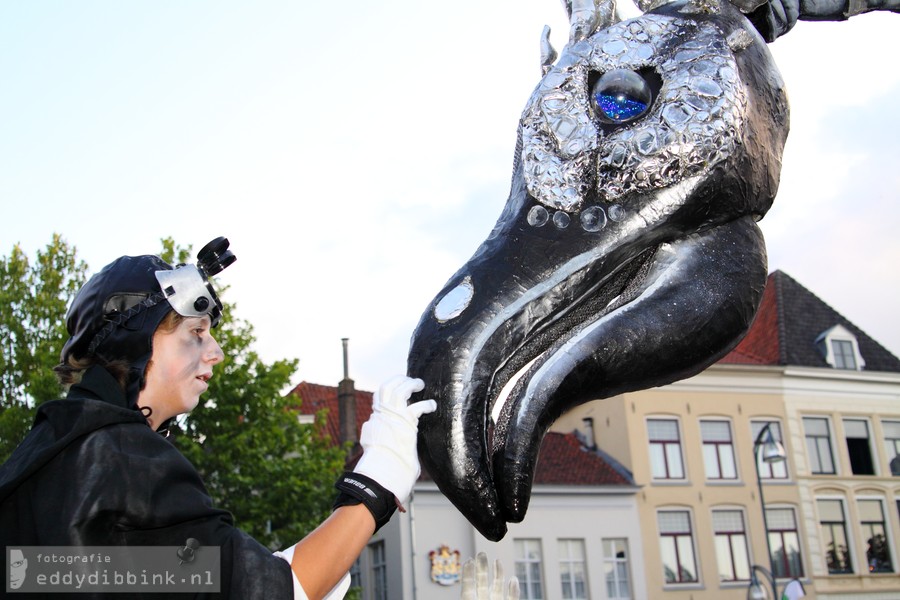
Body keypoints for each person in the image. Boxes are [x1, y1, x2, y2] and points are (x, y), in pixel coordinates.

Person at [0, 238, 436, 599]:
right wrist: (377, 479)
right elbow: (276, 592)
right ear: (135, 342)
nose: (215, 352)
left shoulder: (51, 453)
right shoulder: (124, 458)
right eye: (195, 333)